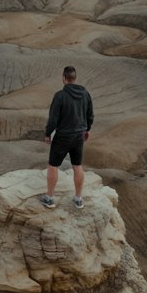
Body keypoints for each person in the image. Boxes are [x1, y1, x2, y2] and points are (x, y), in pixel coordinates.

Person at [41, 65, 93, 209]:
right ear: (74, 78)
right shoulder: (85, 94)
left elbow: (53, 118)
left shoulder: (60, 96)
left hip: (63, 136)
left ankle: (50, 198)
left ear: (64, 78)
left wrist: (47, 133)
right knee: (77, 165)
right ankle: (78, 199)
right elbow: (90, 114)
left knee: (53, 165)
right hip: (78, 136)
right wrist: (87, 129)